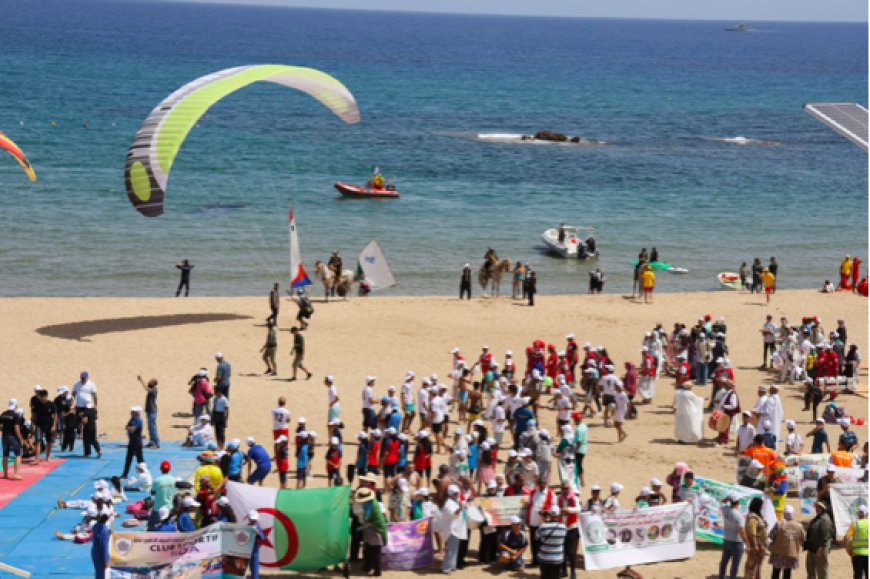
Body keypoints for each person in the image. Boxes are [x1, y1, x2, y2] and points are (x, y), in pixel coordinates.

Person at [768, 505, 805, 579]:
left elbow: (771, 536)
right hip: (791, 553)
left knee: (776, 571)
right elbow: (803, 538)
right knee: (787, 572)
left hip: (778, 552)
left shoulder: (778, 524)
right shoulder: (799, 526)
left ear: (784, 514)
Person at [718, 493, 747, 579]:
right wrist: (747, 543)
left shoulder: (725, 510)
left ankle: (721, 577)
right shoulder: (739, 516)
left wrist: (727, 498)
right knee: (735, 564)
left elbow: (721, 502)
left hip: (727, 539)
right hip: (737, 542)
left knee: (724, 561)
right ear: (738, 502)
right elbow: (742, 531)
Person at [441, 484, 467, 574]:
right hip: (451, 530)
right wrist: (460, 508)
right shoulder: (448, 503)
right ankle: (446, 568)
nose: (457, 495)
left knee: (455, 549)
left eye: (457, 493)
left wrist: (461, 507)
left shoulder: (455, 501)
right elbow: (453, 513)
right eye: (455, 493)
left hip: (456, 529)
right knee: (451, 550)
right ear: (450, 494)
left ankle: (452, 566)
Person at [74, 371, 101, 459]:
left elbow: (94, 395)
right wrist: (73, 403)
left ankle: (98, 450)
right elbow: (74, 394)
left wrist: (95, 406)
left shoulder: (91, 384)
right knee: (83, 432)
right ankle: (87, 452)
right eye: (82, 378)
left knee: (90, 432)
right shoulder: (77, 384)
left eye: (84, 378)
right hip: (79, 407)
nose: (83, 379)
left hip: (89, 408)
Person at [805, 501, 835, 579]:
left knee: (822, 572)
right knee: (810, 570)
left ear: (823, 508)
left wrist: (821, 548)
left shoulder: (825, 520)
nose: (817, 509)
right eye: (816, 507)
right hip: (812, 548)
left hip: (820, 549)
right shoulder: (817, 518)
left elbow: (825, 537)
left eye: (819, 507)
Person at [537, 505, 566, 579]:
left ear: (549, 514)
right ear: (558, 515)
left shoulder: (543, 527)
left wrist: (542, 524)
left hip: (544, 558)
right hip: (557, 558)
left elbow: (536, 537)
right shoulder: (563, 527)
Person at [743, 497, 767, 579]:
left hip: (761, 546)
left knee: (758, 564)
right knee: (751, 565)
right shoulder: (752, 517)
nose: (762, 507)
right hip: (756, 546)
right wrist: (755, 545)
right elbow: (752, 532)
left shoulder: (758, 516)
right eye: (761, 505)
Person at [32, 388, 56, 464]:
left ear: (46, 396)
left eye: (42, 396)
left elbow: (55, 415)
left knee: (49, 442)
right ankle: (37, 458)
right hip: (39, 425)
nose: (41, 398)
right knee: (38, 442)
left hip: (49, 425)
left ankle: (47, 457)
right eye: (40, 396)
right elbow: (34, 415)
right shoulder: (37, 404)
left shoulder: (51, 404)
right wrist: (33, 425)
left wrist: (54, 425)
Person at [1, 399, 23, 480]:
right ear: (16, 405)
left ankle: (5, 474)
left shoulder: (3, 414)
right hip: (12, 437)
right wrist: (20, 438)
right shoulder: (15, 415)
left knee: (5, 455)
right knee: (18, 454)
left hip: (4, 436)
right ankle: (16, 474)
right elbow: (16, 428)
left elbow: (0, 426)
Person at [120, 406, 144, 479]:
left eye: (133, 412)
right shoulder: (132, 420)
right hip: (131, 442)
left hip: (137, 443)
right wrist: (128, 428)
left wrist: (128, 428)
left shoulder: (139, 420)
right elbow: (127, 427)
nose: (131, 413)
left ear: (137, 413)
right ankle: (125, 474)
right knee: (128, 459)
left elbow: (132, 429)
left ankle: (144, 474)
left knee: (140, 461)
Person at [845, 504, 868, 579]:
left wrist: (848, 549)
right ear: (866, 514)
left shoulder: (854, 524)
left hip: (857, 554)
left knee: (858, 576)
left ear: (858, 514)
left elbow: (846, 537)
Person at [137, 376, 160, 449]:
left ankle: (155, 443)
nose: (148, 382)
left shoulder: (153, 390)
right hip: (150, 411)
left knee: (152, 428)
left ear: (153, 383)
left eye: (150, 381)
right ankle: (152, 442)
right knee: (150, 427)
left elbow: (146, 388)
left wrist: (141, 380)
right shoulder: (153, 389)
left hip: (152, 411)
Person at [90, 513, 111, 579]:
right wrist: (105, 560)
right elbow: (104, 546)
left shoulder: (95, 526)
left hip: (94, 552)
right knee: (102, 575)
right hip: (101, 555)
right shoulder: (104, 530)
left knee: (98, 572)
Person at [246, 510, 265, 579]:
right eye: (252, 520)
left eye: (255, 520)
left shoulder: (257, 527)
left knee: (255, 573)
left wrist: (258, 534)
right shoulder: (246, 526)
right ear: (249, 519)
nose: (253, 521)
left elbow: (262, 537)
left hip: (254, 554)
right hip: (245, 553)